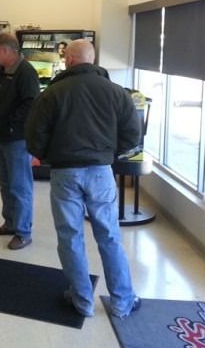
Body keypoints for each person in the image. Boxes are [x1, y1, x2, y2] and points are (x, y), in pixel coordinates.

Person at [25, 39, 142, 318]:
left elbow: (34, 136)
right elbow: (133, 135)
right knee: (110, 235)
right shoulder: (116, 92)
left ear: (70, 60)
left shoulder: (52, 94)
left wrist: (49, 155)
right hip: (101, 172)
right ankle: (123, 300)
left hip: (65, 172)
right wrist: (109, 153)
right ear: (92, 59)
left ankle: (82, 300)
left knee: (70, 235)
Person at [0, 32, 41, 250]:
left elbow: (31, 104)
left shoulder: (25, 72)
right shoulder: (4, 72)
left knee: (20, 186)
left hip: (17, 138)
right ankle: (10, 223)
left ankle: (23, 231)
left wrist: (11, 124)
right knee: (6, 182)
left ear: (5, 51)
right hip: (3, 136)